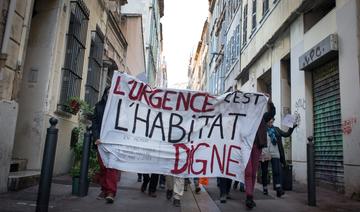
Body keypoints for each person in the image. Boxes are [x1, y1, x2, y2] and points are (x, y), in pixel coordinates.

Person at [260, 103, 297, 198]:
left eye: (273, 119)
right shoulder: (262, 130)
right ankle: (265, 188)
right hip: (265, 153)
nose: (272, 120)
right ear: (266, 121)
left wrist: (292, 127)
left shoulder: (276, 129)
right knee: (264, 171)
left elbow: (286, 134)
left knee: (277, 171)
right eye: (270, 119)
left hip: (275, 153)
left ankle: (278, 189)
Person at [92, 87, 120, 204]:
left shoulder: (119, 106)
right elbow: (95, 123)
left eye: (112, 92)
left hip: (113, 141)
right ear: (105, 93)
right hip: (101, 141)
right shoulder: (99, 106)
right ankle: (104, 189)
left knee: (111, 166)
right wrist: (96, 137)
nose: (110, 94)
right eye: (108, 92)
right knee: (103, 166)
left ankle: (111, 192)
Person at [244, 97, 272, 209]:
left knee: (254, 171)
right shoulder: (244, 116)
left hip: (257, 146)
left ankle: (250, 196)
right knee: (248, 172)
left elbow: (272, 113)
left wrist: (269, 101)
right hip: (246, 146)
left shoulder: (262, 117)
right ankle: (249, 196)